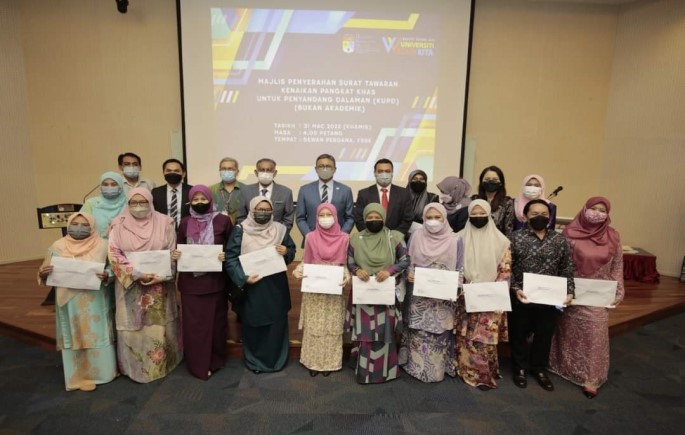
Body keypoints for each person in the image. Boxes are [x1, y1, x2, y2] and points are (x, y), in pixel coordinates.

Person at [549, 197, 624, 398]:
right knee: (567, 331)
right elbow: (560, 262)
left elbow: (617, 265)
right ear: (584, 210)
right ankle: (563, 366)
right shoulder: (569, 233)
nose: (597, 213)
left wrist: (619, 290)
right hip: (572, 292)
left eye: (602, 210)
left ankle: (591, 377)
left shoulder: (613, 236)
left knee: (595, 334)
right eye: (593, 208)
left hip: (598, 294)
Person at [108, 188, 182, 383]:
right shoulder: (118, 224)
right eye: (134, 202)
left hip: (159, 285)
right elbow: (113, 253)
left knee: (158, 326)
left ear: (150, 202)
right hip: (130, 286)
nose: (138, 206)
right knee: (133, 325)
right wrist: (136, 274)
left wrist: (164, 274)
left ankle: (160, 366)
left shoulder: (166, 223)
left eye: (143, 202)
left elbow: (172, 252)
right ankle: (133, 367)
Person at [37, 212, 117, 392]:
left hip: (95, 300)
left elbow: (113, 268)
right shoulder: (57, 246)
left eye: (84, 225)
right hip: (69, 302)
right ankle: (79, 377)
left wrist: (107, 275)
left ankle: (104, 373)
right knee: (75, 334)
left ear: (92, 227)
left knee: (97, 333)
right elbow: (44, 270)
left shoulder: (103, 245)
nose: (79, 228)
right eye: (75, 224)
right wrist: (43, 273)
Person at [509, 199, 575, 392]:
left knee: (544, 335)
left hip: (549, 299)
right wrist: (515, 288)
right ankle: (520, 368)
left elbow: (566, 267)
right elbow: (507, 268)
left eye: (544, 214)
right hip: (522, 296)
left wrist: (570, 291)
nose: (540, 217)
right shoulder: (514, 238)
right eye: (535, 213)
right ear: (525, 216)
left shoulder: (559, 240)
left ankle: (539, 369)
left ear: (550, 217)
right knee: (518, 334)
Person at [225, 197, 296, 373]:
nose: (263, 213)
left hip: (275, 286)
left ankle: (276, 361)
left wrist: (286, 251)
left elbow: (291, 250)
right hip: (252, 286)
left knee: (276, 325)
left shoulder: (280, 229)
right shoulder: (240, 230)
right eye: (259, 209)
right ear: (251, 210)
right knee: (254, 324)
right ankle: (255, 361)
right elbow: (230, 258)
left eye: (267, 210)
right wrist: (243, 278)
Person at [173, 185, 233, 380]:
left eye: (203, 199)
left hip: (215, 282)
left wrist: (226, 255)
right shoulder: (184, 222)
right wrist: (176, 254)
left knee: (216, 324)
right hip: (191, 284)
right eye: (195, 199)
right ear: (190, 202)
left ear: (210, 199)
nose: (200, 202)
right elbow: (178, 246)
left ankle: (215, 360)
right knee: (195, 327)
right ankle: (198, 364)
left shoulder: (223, 220)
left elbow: (233, 248)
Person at [347, 203, 409, 384]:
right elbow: (350, 262)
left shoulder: (394, 237)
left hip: (385, 293)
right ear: (364, 219)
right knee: (365, 332)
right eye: (370, 217)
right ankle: (364, 372)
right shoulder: (355, 239)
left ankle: (386, 372)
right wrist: (357, 270)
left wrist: (389, 271)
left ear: (384, 218)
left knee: (385, 332)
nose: (373, 220)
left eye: (377, 217)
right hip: (364, 294)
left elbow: (405, 260)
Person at [399, 203, 461, 383]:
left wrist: (455, 285)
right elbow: (408, 261)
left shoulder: (455, 240)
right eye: (429, 218)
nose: (433, 221)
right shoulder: (416, 236)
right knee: (417, 332)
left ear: (444, 218)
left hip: (442, 299)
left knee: (438, 333)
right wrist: (409, 273)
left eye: (437, 217)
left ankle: (437, 370)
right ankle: (415, 367)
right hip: (419, 297)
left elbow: (460, 267)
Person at [455, 199, 511, 390]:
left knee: (484, 339)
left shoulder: (502, 241)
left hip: (490, 297)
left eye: (482, 214)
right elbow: (456, 266)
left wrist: (494, 293)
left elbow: (505, 270)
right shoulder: (459, 238)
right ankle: (466, 371)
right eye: (474, 214)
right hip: (466, 296)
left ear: (489, 215)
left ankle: (484, 374)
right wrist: (462, 286)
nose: (478, 217)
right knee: (467, 337)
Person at [292, 203, 350, 377]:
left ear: (335, 216)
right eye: (321, 215)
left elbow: (346, 264)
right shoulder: (310, 237)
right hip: (314, 288)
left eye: (328, 214)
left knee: (332, 327)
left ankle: (330, 363)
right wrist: (298, 270)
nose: (325, 218)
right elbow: (306, 260)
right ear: (316, 218)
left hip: (333, 288)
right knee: (314, 326)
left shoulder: (344, 238)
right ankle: (312, 362)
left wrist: (346, 275)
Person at [296, 154, 355, 239]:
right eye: (321, 166)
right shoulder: (305, 190)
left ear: (334, 169)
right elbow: (300, 218)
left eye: (328, 166)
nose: (324, 169)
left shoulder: (345, 190)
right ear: (316, 169)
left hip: (338, 240)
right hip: (312, 240)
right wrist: (309, 236)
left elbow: (350, 218)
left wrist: (341, 236)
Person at [354, 159, 413, 234]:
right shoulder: (364, 194)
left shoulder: (404, 193)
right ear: (375, 173)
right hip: (370, 238)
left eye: (387, 171)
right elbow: (359, 219)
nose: (384, 174)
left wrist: (394, 236)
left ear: (392, 173)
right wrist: (371, 236)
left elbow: (407, 219)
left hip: (396, 238)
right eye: (380, 171)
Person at [236, 158, 295, 230]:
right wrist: (250, 232)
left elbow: (288, 220)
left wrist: (278, 233)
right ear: (256, 172)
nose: (265, 173)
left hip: (277, 234)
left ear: (275, 173)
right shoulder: (246, 191)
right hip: (250, 234)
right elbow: (240, 217)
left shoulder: (286, 192)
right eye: (262, 170)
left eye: (269, 170)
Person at [80, 171, 127, 238]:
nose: (109, 187)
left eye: (113, 184)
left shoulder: (128, 203)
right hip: (96, 243)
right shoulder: (91, 203)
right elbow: (81, 227)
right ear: (100, 186)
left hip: (124, 243)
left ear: (120, 186)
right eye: (105, 184)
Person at [474, 166, 514, 238]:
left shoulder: (507, 202)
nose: (491, 182)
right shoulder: (474, 200)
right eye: (487, 179)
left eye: (495, 180)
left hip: (499, 241)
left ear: (501, 183)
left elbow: (508, 230)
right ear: (481, 182)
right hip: (476, 238)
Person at [151, 158, 192, 227]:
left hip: (186, 230)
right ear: (163, 173)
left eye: (176, 171)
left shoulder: (191, 191)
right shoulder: (155, 192)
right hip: (162, 230)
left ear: (184, 174)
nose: (172, 173)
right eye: (169, 171)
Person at [210, 157, 245, 225]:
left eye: (230, 169)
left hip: (240, 227)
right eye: (223, 169)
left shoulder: (245, 189)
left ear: (237, 171)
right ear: (219, 171)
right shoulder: (211, 190)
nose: (226, 171)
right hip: (216, 228)